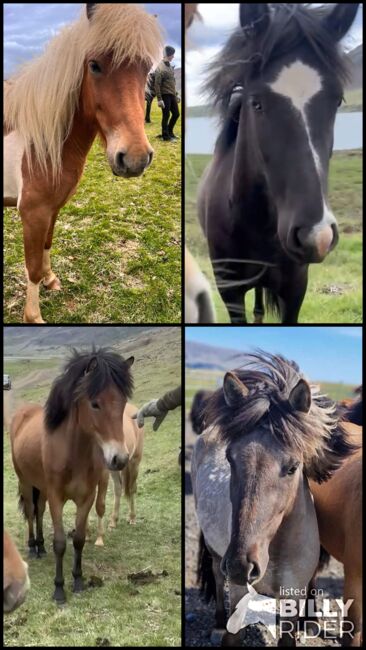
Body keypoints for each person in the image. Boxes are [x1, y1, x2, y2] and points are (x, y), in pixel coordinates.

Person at [154, 45, 180, 141]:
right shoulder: (160, 68)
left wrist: (176, 95)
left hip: (172, 94)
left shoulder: (170, 67)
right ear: (168, 55)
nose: (173, 57)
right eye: (172, 55)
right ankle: (165, 136)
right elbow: (157, 84)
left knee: (176, 114)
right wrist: (159, 99)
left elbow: (172, 83)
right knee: (166, 115)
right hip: (165, 95)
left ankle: (170, 132)